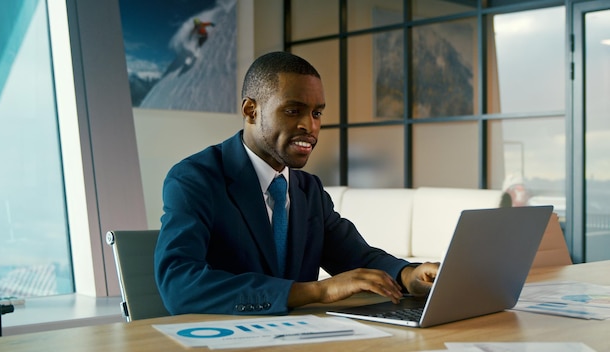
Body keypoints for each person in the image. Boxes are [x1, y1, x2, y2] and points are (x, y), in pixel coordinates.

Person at [154, 51, 440, 316]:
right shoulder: (195, 179)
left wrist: (407, 275)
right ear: (251, 110)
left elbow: (356, 257)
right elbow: (179, 285)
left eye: (317, 113)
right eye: (293, 111)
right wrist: (317, 290)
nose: (310, 125)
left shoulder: (308, 190)